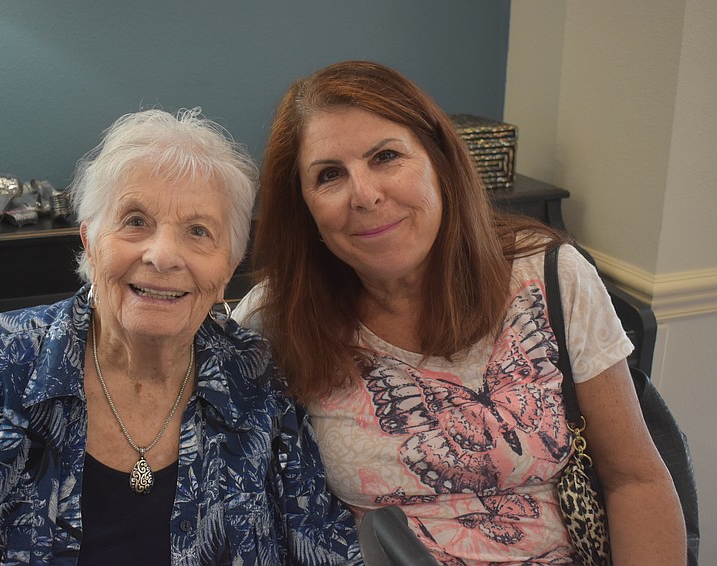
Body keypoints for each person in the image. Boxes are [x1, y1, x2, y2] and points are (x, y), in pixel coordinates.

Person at [233, 61, 685, 565]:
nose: (363, 194)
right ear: (306, 207)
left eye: (386, 157)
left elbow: (635, 479)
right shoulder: (274, 320)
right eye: (329, 175)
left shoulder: (548, 276)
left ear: (439, 164)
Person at [0, 108, 362, 565]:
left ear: (229, 264)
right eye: (135, 222)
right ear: (88, 240)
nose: (163, 255)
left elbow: (321, 544)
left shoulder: (257, 379)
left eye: (198, 231)